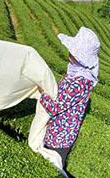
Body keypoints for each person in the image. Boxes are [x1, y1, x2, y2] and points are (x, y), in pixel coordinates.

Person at [37, 27, 100, 178]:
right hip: (54, 128)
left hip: (60, 137)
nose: (70, 53)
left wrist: (41, 93)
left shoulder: (81, 82)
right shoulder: (74, 72)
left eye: (74, 52)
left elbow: (55, 108)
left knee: (53, 168)